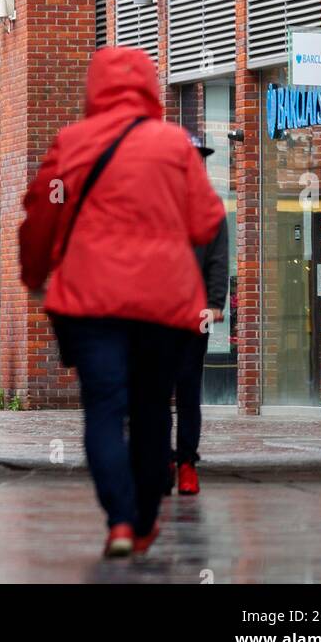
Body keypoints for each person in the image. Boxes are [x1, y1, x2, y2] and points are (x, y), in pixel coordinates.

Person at [20, 46, 226, 560]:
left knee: (105, 409)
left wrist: (34, 273)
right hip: (164, 302)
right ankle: (145, 519)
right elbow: (205, 222)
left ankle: (117, 520)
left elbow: (42, 215)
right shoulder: (176, 145)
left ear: (95, 89)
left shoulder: (72, 142)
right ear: (150, 88)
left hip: (91, 302)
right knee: (155, 407)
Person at [169, 135, 229, 497]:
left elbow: (219, 261)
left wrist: (215, 303)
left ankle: (187, 462)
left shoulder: (211, 209)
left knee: (188, 390)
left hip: (194, 315)